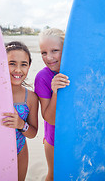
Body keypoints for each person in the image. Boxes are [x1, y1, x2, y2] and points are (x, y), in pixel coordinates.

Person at [34, 28, 70, 181]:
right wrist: (55, 91)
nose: (49, 58)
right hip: (54, 139)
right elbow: (50, 119)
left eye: (55, 50)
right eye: (43, 52)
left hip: (78, 135)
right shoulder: (42, 77)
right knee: (54, 175)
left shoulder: (76, 71)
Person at [2, 41, 38, 181]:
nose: (18, 70)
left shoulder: (31, 98)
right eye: (12, 63)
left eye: (23, 64)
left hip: (20, 151)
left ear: (29, 66)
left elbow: (33, 133)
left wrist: (21, 124)